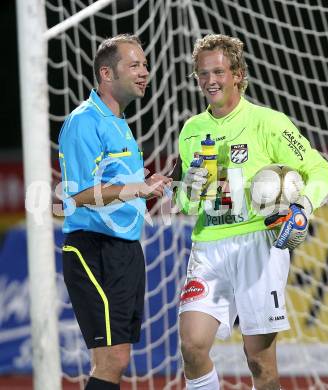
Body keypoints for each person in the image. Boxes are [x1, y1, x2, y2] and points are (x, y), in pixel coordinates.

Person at [175, 34, 328, 390]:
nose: (210, 81)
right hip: (209, 248)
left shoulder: (269, 123)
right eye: (202, 74)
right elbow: (185, 203)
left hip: (257, 247)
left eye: (218, 72)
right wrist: (191, 190)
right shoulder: (191, 131)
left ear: (238, 74)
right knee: (192, 347)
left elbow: (320, 170)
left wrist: (303, 208)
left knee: (261, 366)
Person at [58, 34, 171, 390]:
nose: (145, 72)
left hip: (124, 249)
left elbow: (115, 187)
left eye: (145, 65)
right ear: (106, 73)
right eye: (134, 64)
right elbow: (77, 194)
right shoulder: (84, 121)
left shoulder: (119, 122)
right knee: (111, 360)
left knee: (117, 359)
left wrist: (146, 183)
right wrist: (138, 188)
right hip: (93, 250)